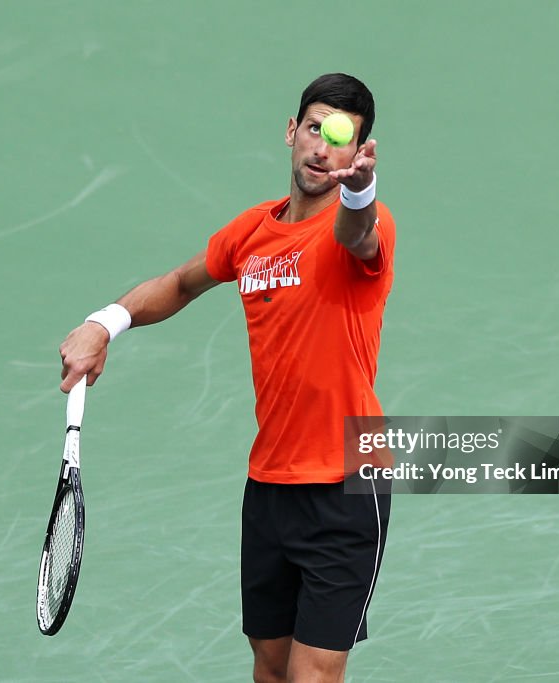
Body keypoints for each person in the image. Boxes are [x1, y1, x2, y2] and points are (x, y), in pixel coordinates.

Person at [59, 73, 395, 683]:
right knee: (269, 666)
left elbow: (359, 235)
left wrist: (361, 192)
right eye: (314, 128)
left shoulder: (365, 225)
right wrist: (103, 324)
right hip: (268, 482)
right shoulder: (251, 234)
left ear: (357, 153)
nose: (323, 148)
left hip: (347, 482)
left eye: (341, 139)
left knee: (312, 674)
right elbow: (182, 283)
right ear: (291, 132)